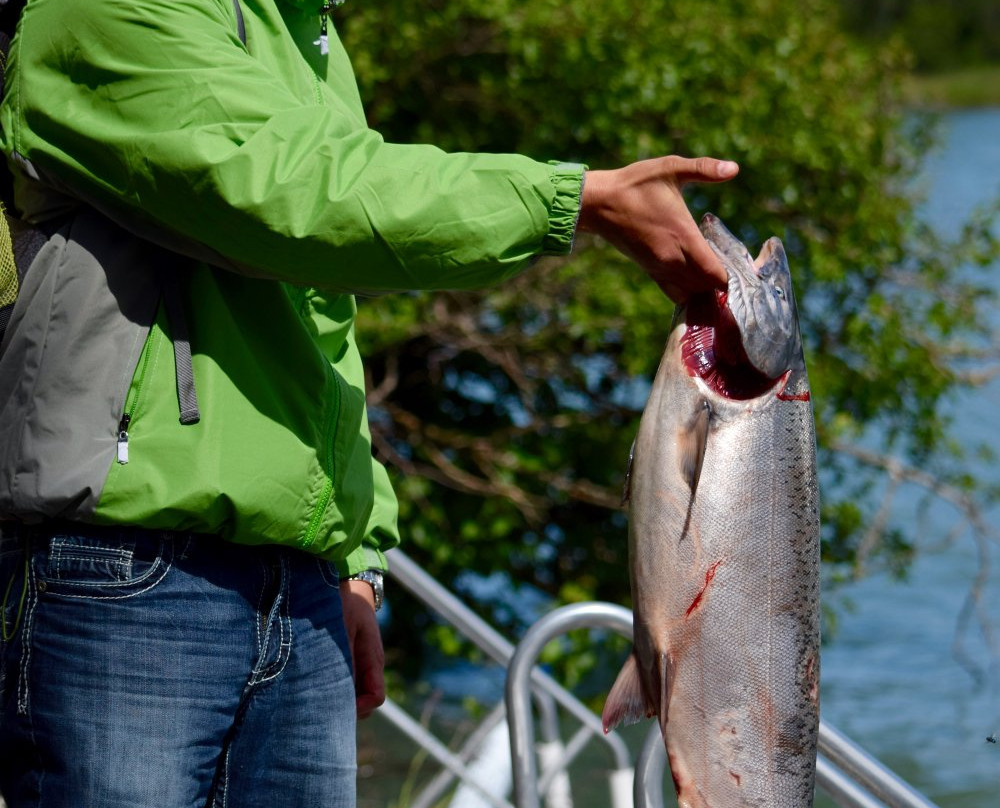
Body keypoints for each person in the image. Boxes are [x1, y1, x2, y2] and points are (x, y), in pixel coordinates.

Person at [0, 1, 738, 806]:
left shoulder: (303, 30)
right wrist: (573, 202)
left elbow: (323, 313)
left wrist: (355, 553)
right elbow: (305, 200)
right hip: (125, 576)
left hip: (301, 589)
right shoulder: (105, 8)